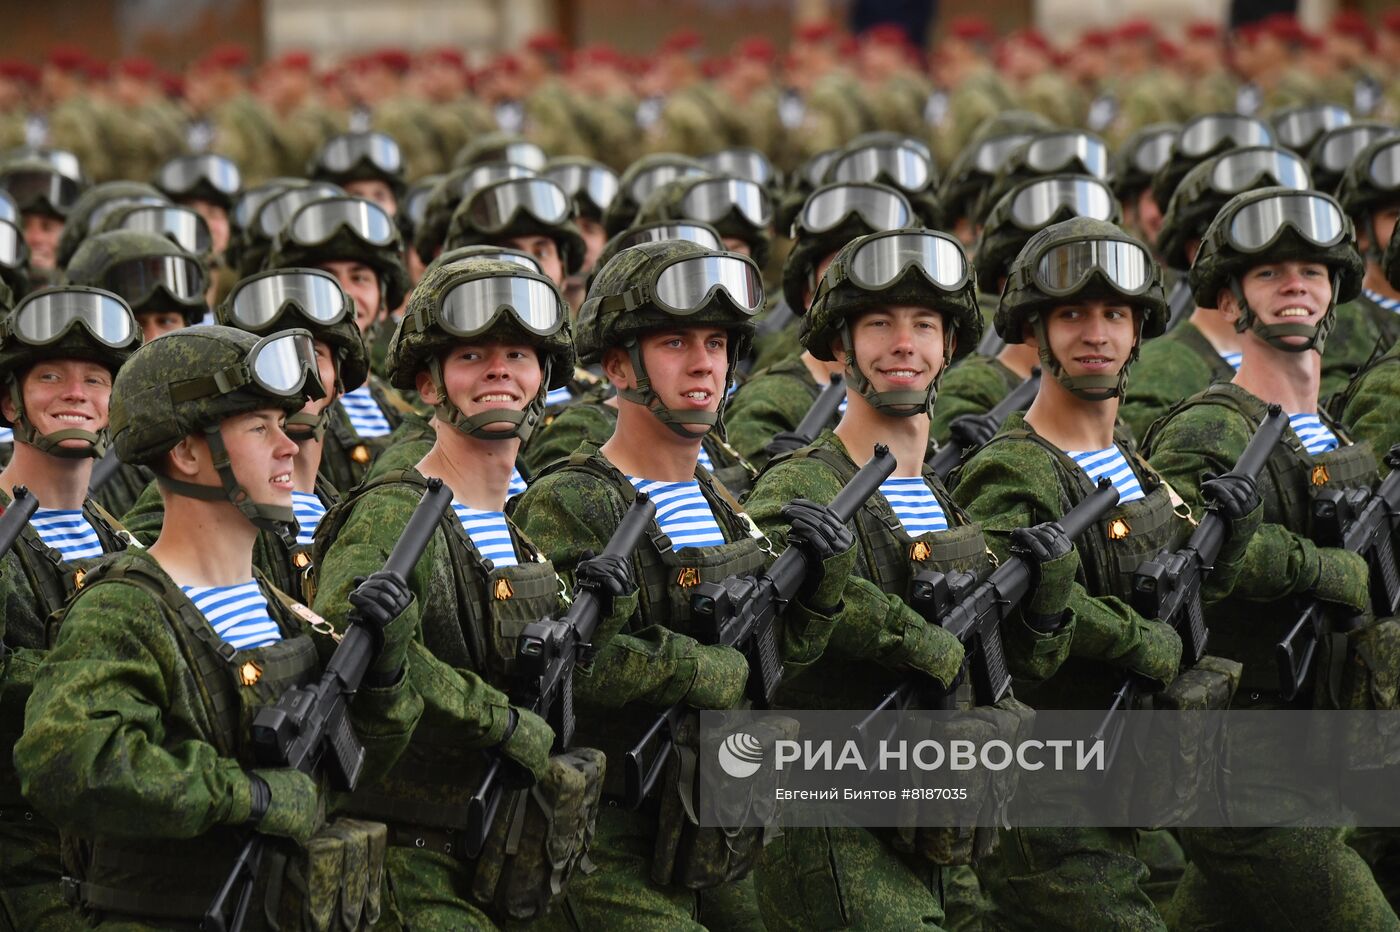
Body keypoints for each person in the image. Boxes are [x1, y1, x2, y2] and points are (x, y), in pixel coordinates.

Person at [13, 324, 422, 930]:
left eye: (282, 425)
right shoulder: (125, 609)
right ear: (185, 452)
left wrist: (384, 669)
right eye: (260, 428)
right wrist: (247, 796)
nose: (288, 446)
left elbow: (360, 768)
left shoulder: (276, 605)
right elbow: (66, 760)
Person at [513, 239, 856, 930]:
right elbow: (565, 671)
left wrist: (822, 585)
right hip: (608, 841)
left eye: (716, 343)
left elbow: (777, 662)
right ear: (618, 365)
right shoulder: (573, 499)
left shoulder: (721, 499)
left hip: (714, 823)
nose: (704, 363)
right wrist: (706, 667)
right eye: (674, 342)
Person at [744, 228, 1075, 930]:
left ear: (949, 347)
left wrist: (1046, 599)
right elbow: (770, 606)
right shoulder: (805, 481)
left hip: (941, 821)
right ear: (840, 346)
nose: (905, 344)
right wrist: (909, 635)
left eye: (925, 325)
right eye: (879, 325)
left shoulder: (939, 497)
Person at [952, 217, 1261, 931]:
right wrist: (1131, 636)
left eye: (1114, 314)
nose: (1096, 332)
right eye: (1072, 314)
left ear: (1138, 330)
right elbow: (1005, 623)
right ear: (1036, 329)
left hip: (1131, 782)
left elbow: (1186, 587)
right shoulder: (1015, 466)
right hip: (1050, 800)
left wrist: (1229, 540)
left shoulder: (1125, 452)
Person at [311, 256, 626, 927]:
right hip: (413, 860)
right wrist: (499, 720)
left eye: (518, 353)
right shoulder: (397, 513)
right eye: (472, 355)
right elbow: (347, 642)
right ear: (428, 382)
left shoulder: (513, 525)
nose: (499, 370)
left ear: (543, 378)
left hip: (511, 855)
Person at [1141, 187, 1400, 929]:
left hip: (1319, 748)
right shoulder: (1210, 430)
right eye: (1270, 273)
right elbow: (1185, 554)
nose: (1296, 285)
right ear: (1230, 298)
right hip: (1243, 759)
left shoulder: (1332, 429)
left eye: (1313, 272)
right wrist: (1326, 569)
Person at [0, 286, 142, 931]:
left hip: (115, 848)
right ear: (10, 401)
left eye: (95, 378)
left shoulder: (122, 540)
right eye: (50, 375)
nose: (75, 393)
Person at [1117, 145, 1310, 440]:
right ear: (1200, 251)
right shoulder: (1162, 373)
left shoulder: (1302, 356)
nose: (1290, 278)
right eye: (1254, 237)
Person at [723, 181, 915, 469]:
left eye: (879, 277)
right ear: (808, 294)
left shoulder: (913, 390)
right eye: (837, 282)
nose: (863, 299)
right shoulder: (769, 401)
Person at [264, 194, 414, 493]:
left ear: (383, 305)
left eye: (359, 278)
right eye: (326, 277)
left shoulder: (407, 407)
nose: (343, 293)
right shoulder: (278, 409)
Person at [64, 229, 210, 515]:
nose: (153, 340)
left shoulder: (218, 426)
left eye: (167, 321)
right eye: (137, 324)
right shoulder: (71, 439)